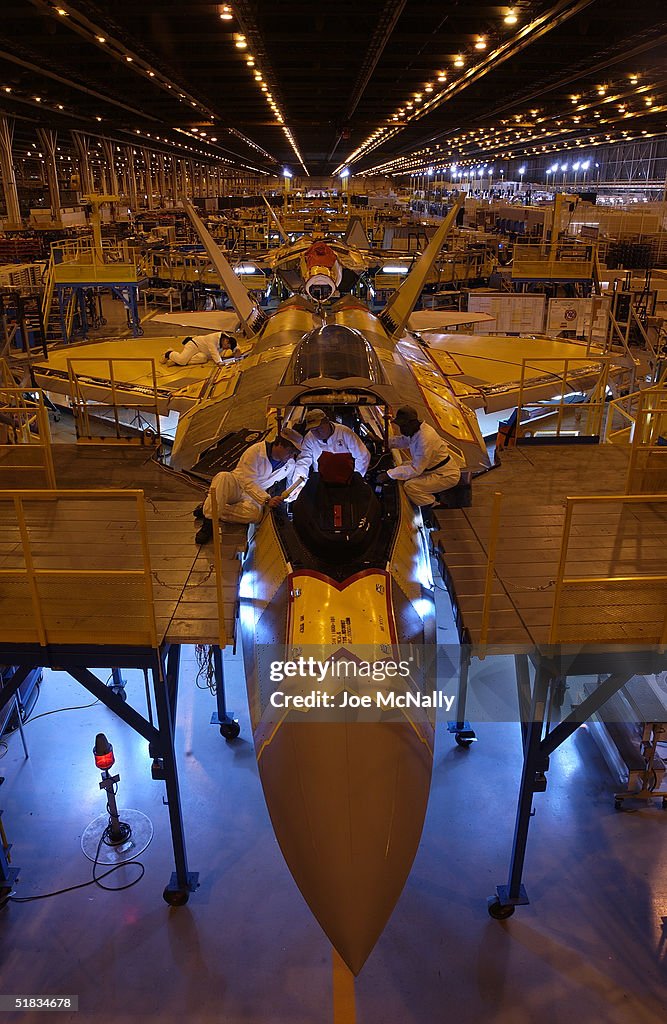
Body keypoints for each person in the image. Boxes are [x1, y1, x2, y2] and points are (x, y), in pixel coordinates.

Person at [194, 434, 300, 544]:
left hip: (253, 496)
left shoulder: (289, 465)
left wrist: (294, 493)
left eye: (294, 453)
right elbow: (247, 481)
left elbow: (291, 482)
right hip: (237, 486)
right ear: (279, 444)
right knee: (222, 478)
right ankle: (208, 523)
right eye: (290, 451)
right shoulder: (256, 451)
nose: (291, 456)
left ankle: (211, 507)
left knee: (255, 515)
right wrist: (267, 500)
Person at [380, 405, 461, 509]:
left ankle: (433, 505)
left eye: (403, 426)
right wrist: (385, 442)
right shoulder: (416, 430)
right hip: (432, 468)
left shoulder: (425, 439)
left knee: (411, 486)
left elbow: (416, 469)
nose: (401, 429)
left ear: (412, 422)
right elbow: (404, 440)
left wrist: (388, 474)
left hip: (445, 475)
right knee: (403, 466)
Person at [293, 409, 371, 489]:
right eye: (313, 430)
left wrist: (355, 479)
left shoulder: (345, 433)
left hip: (346, 479)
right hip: (322, 480)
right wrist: (298, 485)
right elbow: (303, 461)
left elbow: (363, 456)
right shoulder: (309, 438)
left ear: (327, 422)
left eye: (319, 428)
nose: (317, 433)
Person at [161, 332, 238, 367]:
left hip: (202, 351)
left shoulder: (226, 338)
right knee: (182, 360)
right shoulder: (213, 338)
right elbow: (213, 351)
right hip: (194, 345)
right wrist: (220, 362)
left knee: (203, 358)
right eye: (227, 347)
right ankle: (169, 353)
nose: (225, 349)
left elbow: (235, 344)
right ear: (226, 341)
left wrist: (236, 351)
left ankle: (175, 362)